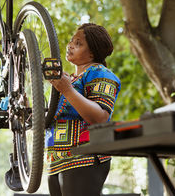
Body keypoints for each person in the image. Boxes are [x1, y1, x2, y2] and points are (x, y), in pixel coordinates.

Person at [46, 23, 121, 196]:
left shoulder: (100, 73)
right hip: (57, 161)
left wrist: (67, 90)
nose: (70, 45)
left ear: (92, 53)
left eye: (78, 43)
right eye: (71, 41)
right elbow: (53, 117)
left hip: (85, 157)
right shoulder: (69, 80)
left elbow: (101, 117)